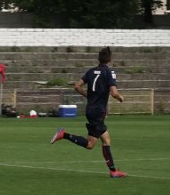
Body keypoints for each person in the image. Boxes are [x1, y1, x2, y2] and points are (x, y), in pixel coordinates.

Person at [49, 47, 128, 178]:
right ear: (110, 59)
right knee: (99, 142)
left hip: (90, 110)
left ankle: (113, 171)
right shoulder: (110, 72)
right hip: (98, 112)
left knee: (98, 142)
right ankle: (113, 171)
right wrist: (121, 98)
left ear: (99, 59)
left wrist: (88, 96)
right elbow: (114, 93)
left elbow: (76, 85)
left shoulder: (91, 71)